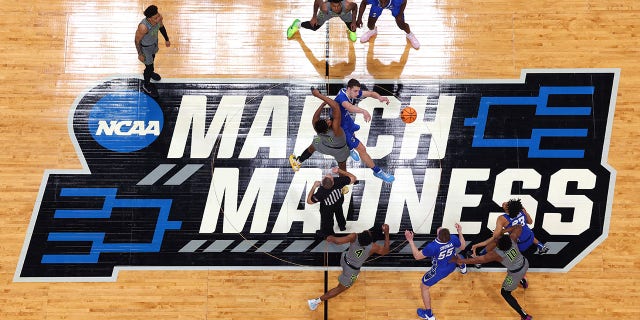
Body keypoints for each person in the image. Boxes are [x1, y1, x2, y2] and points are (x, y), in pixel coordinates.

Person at [451, 225, 534, 320]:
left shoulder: (496, 254)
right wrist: (503, 231)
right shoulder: (512, 239)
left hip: (514, 274)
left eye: (497, 240)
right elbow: (519, 227)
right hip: (525, 263)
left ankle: (524, 315)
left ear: (498, 245)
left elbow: (477, 260)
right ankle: (523, 282)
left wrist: (460, 261)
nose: (496, 240)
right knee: (516, 269)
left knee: (505, 292)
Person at [308, 223, 390, 310]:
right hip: (352, 271)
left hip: (344, 259)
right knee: (340, 289)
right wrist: (387, 233)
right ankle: (315, 301)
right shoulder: (374, 247)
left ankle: (346, 276)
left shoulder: (354, 236)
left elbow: (338, 241)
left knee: (347, 267)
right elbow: (386, 251)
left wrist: (330, 238)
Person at [328, 78, 395, 183]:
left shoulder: (350, 92)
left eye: (358, 91)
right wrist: (363, 111)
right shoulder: (342, 98)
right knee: (362, 149)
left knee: (353, 134)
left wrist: (379, 97)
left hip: (345, 119)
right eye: (355, 91)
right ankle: (378, 172)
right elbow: (349, 107)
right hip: (340, 126)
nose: (357, 93)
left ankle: (350, 148)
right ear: (348, 89)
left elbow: (370, 93)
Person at [469, 199, 549, 287]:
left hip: (519, 245)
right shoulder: (521, 209)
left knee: (498, 242)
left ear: (508, 210)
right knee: (525, 232)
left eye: (507, 205)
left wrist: (498, 231)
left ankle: (479, 259)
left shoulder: (502, 218)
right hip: (530, 237)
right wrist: (525, 213)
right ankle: (541, 246)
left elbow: (495, 236)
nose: (505, 203)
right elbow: (530, 222)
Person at [405, 223, 466, 320]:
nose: (440, 228)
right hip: (452, 265)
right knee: (457, 255)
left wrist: (410, 240)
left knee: (424, 287)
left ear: (439, 237)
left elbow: (417, 256)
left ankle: (429, 315)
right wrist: (460, 232)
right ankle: (462, 266)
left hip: (440, 271)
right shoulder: (453, 238)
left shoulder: (432, 246)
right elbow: (462, 247)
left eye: (440, 230)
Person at [289, 88, 349, 174]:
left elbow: (315, 118)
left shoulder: (317, 128)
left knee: (313, 146)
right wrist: (318, 95)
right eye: (327, 122)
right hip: (340, 150)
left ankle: (298, 163)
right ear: (328, 127)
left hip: (324, 144)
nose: (328, 120)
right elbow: (336, 106)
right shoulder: (336, 130)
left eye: (326, 120)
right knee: (342, 167)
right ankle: (343, 186)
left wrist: (322, 105)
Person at [306, 166, 357, 239]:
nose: (329, 174)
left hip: (328, 207)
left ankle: (329, 233)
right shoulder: (338, 181)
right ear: (333, 181)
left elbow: (309, 201)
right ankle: (342, 226)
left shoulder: (321, 192)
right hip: (338, 201)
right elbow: (353, 178)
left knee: (327, 221)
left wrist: (314, 187)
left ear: (322, 182)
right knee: (339, 213)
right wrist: (339, 170)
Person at [135, 5, 170, 96]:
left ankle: (150, 73)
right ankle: (146, 85)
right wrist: (140, 54)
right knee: (149, 66)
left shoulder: (158, 18)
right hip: (145, 48)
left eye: (158, 15)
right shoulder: (143, 27)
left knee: (152, 60)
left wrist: (166, 39)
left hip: (153, 44)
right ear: (149, 19)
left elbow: (161, 27)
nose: (159, 18)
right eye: (156, 17)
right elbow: (137, 40)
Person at [356, 0, 420, 49]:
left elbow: (404, 1)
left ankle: (410, 34)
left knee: (401, 24)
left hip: (394, 6)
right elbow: (364, 2)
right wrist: (359, 18)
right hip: (377, 5)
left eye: (385, 1)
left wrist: (400, 14)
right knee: (370, 24)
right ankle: (372, 31)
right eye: (381, 1)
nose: (383, 5)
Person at [287, 0, 358, 42]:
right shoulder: (324, 7)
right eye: (334, 6)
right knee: (314, 26)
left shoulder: (347, 6)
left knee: (353, 27)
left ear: (341, 3)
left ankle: (351, 31)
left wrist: (354, 21)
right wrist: (314, 16)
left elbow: (355, 6)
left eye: (338, 6)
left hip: (344, 13)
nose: (336, 8)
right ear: (330, 4)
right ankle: (297, 24)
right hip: (326, 13)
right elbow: (317, 1)